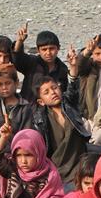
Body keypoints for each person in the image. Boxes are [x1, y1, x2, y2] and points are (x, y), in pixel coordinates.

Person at [31, 46, 89, 185]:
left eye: (54, 88)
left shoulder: (68, 105)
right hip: (57, 168)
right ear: (41, 102)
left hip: (79, 163)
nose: (53, 92)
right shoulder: (39, 120)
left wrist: (73, 67)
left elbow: (73, 88)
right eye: (46, 92)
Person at [13, 23, 69, 102]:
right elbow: (17, 59)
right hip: (28, 108)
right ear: (38, 50)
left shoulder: (62, 69)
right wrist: (19, 42)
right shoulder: (32, 62)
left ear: (58, 48)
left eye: (51, 48)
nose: (48, 53)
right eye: (44, 49)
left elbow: (63, 92)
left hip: (49, 111)